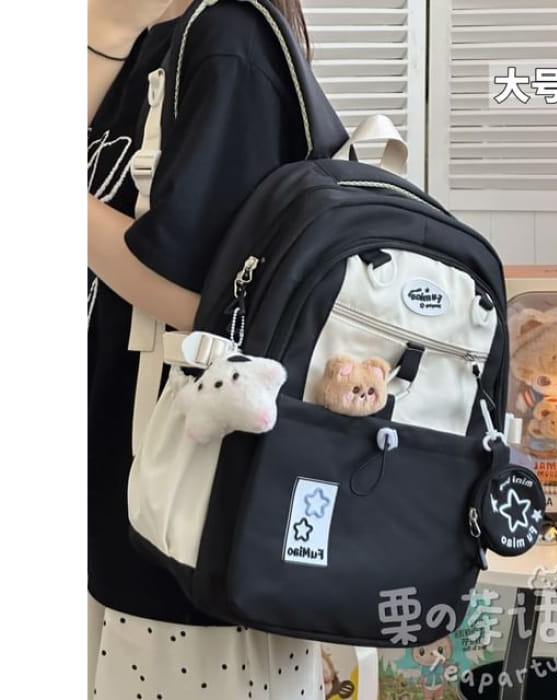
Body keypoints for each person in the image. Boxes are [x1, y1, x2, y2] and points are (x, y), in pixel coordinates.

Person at [88, 1, 326, 697]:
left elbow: (216, 306)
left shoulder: (228, 42)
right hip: (130, 511)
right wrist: (105, 33)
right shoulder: (148, 39)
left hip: (177, 544)